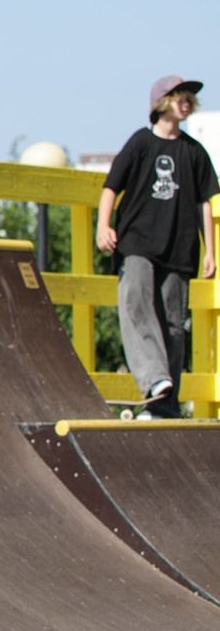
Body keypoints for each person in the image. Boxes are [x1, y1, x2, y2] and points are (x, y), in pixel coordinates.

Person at [96, 75, 218, 419]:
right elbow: (111, 186)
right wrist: (103, 226)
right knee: (135, 301)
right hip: (137, 241)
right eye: (179, 95)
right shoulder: (140, 143)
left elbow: (205, 202)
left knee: (174, 326)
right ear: (160, 102)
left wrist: (210, 250)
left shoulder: (193, 151)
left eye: (189, 98)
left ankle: (164, 405)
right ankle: (154, 378)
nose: (186, 101)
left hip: (179, 247)